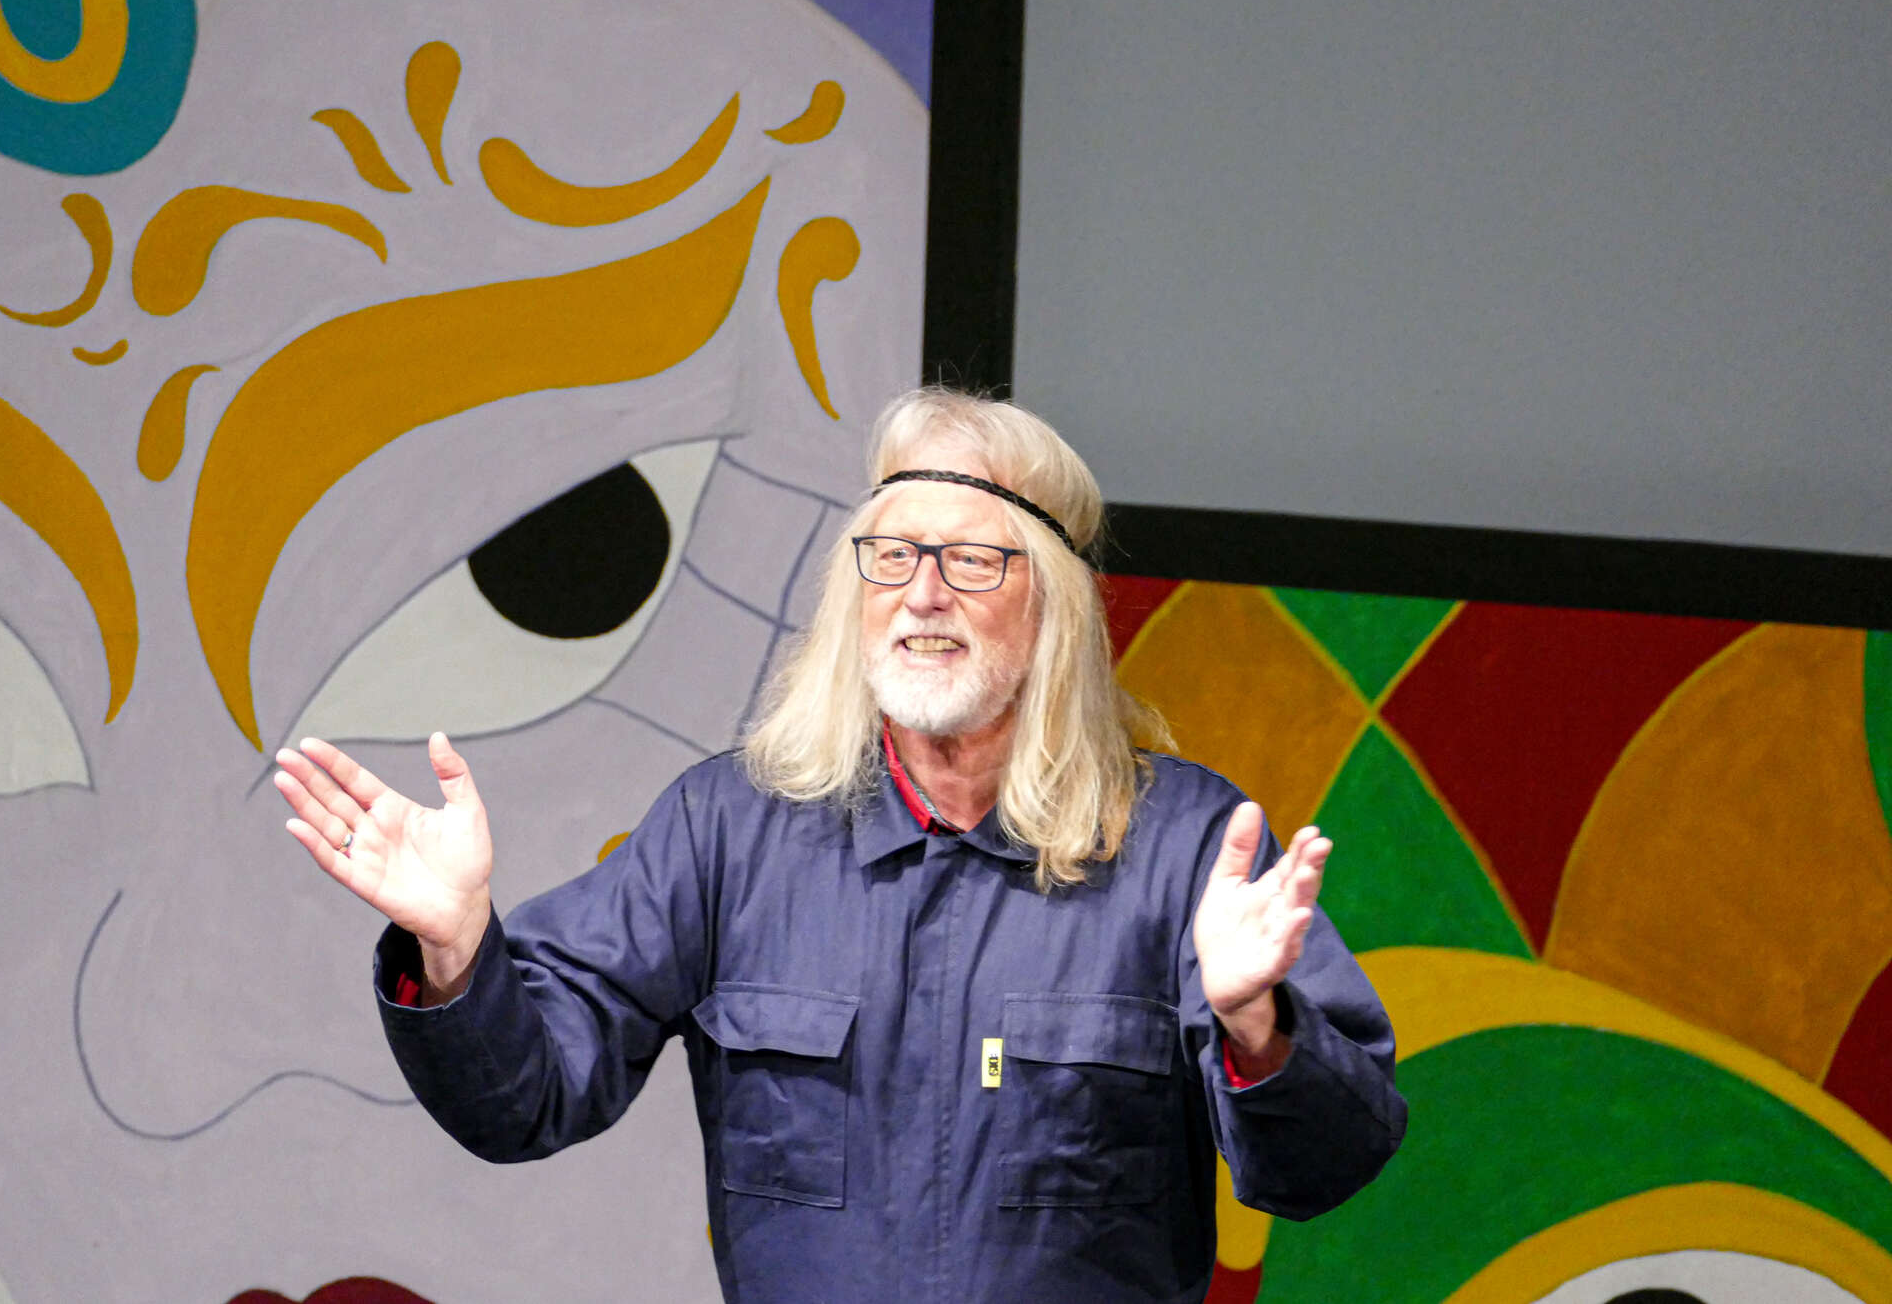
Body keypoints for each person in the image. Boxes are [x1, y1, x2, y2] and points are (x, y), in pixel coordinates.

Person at [274, 387, 1406, 1302]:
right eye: (891, 555)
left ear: (1052, 608)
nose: (923, 595)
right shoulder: (727, 831)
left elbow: (1326, 1164)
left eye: (972, 560)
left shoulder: (1184, 846)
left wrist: (1257, 1025)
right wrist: (457, 953)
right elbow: (525, 1099)